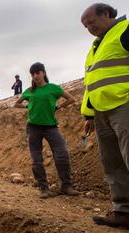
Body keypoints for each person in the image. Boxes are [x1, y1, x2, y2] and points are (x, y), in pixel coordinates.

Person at [80, 3, 129, 228]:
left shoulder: (125, 30)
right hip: (101, 112)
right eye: (85, 25)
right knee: (112, 162)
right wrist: (88, 115)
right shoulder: (96, 45)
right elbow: (92, 82)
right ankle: (123, 212)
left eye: (91, 22)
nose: (89, 27)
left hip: (124, 104)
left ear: (107, 14)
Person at [14, 62, 78, 199]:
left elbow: (71, 99)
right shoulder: (29, 91)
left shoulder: (53, 88)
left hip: (51, 127)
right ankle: (43, 188)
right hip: (33, 128)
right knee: (36, 159)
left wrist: (59, 107)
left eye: (37, 73)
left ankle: (66, 186)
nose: (35, 76)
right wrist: (28, 107)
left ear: (43, 73)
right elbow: (17, 103)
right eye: (33, 74)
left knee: (62, 154)